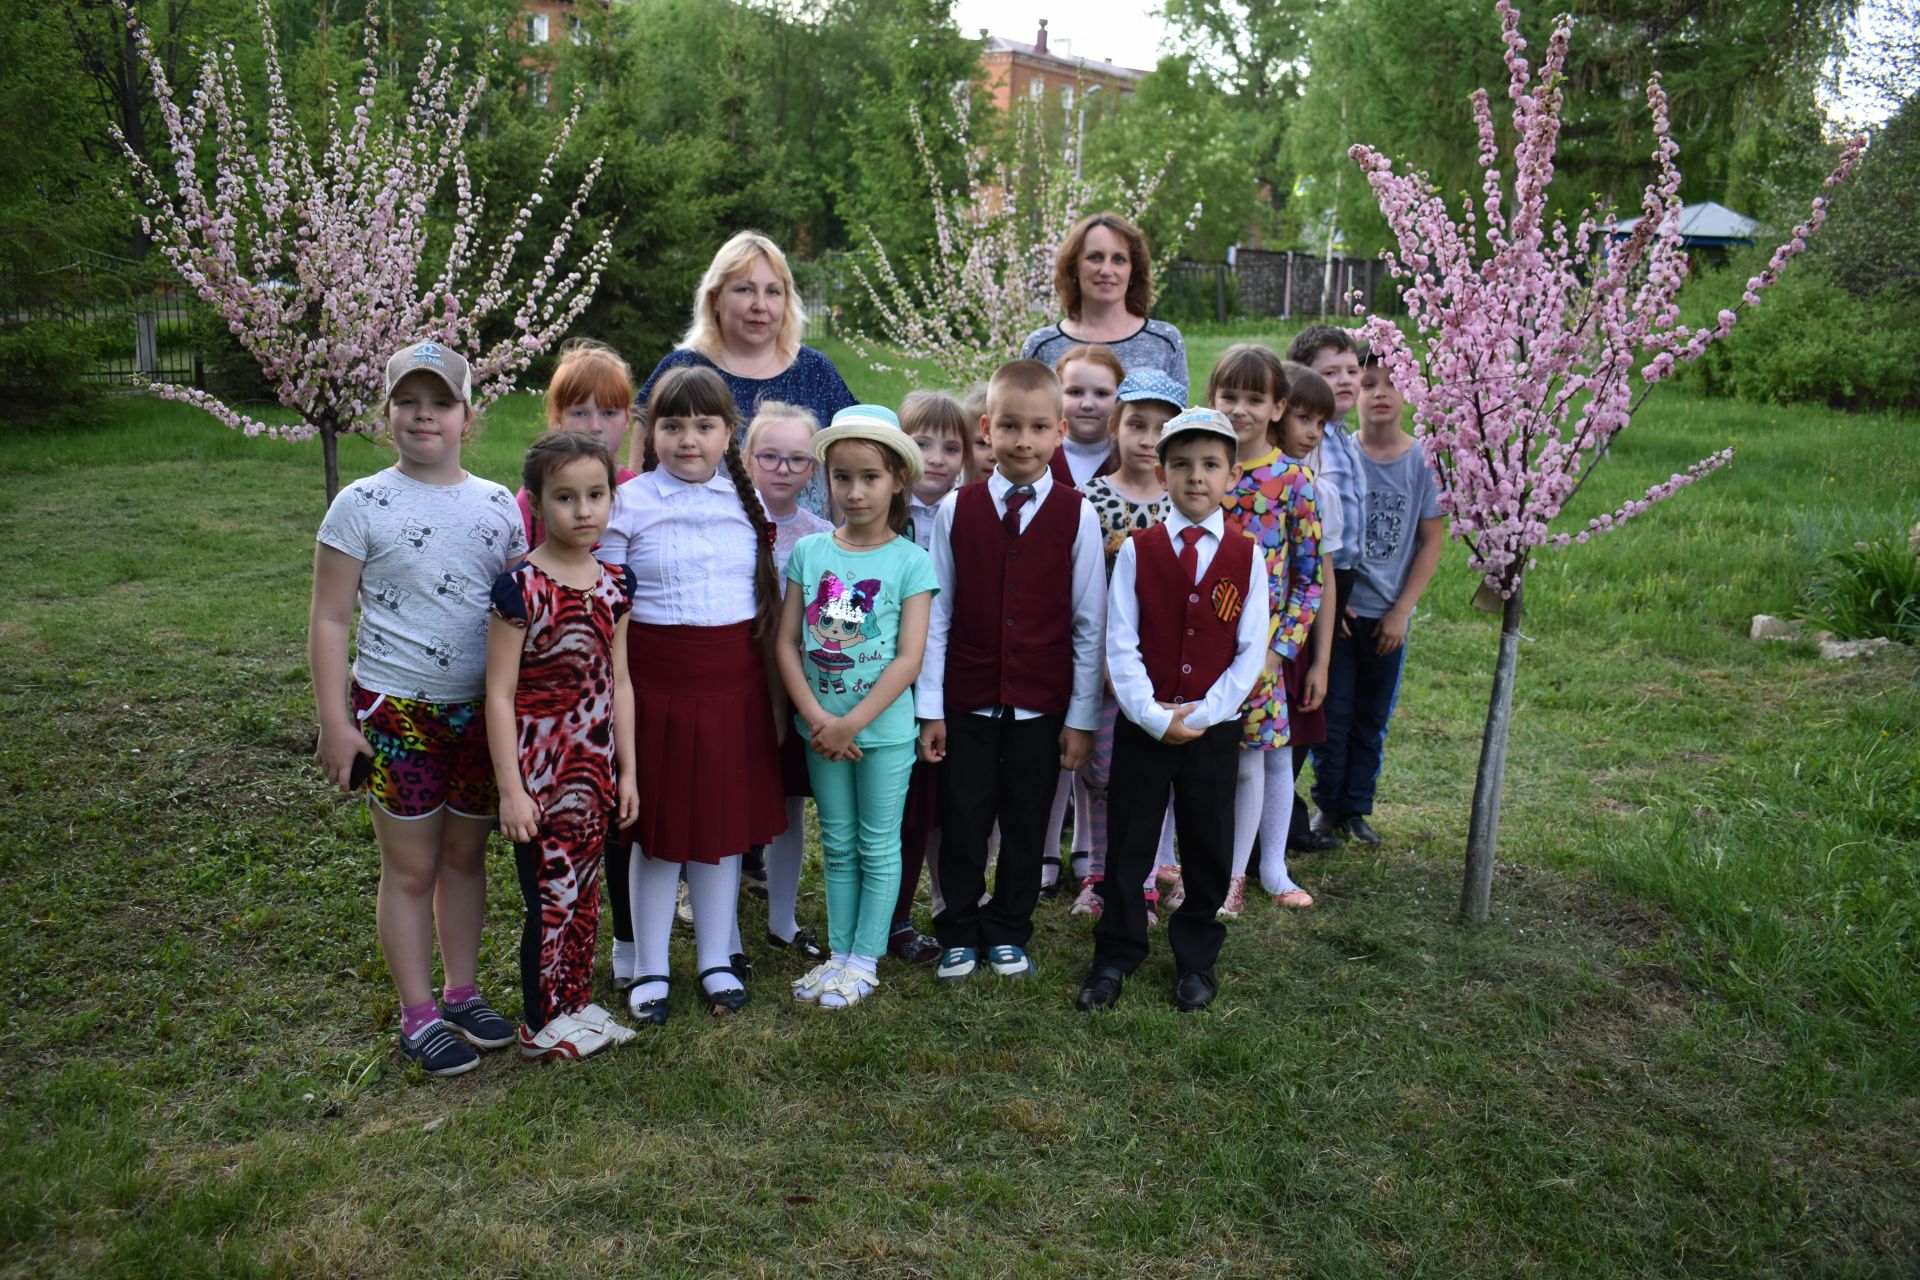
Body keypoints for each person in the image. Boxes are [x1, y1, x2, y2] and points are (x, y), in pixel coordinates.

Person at [309, 342, 528, 1077]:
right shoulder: (360, 504)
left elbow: (517, 612)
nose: (424, 415)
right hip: (396, 714)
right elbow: (331, 619)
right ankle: (417, 1012)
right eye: (409, 402)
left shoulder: (499, 506)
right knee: (409, 869)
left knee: (466, 856)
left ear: (468, 416)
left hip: (477, 715)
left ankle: (461, 992)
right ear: (389, 413)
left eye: (441, 403)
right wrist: (336, 722)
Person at [599, 365, 787, 1023]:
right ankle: (650, 964)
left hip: (731, 682)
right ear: (651, 434)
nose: (687, 440)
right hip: (656, 683)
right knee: (658, 832)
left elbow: (765, 594)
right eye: (672, 426)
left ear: (727, 433)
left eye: (704, 426)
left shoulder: (746, 502)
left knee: (721, 827)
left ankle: (713, 957)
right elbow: (608, 602)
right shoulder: (629, 503)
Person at [916, 359, 1105, 983]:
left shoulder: (1077, 513)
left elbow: (1087, 624)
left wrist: (1079, 719)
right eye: (1010, 428)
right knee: (965, 818)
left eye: (1038, 429)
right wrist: (933, 707)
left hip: (1042, 706)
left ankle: (1009, 926)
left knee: (1027, 821)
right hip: (968, 700)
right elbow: (936, 617)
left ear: (1058, 432)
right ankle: (960, 927)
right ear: (987, 428)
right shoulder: (956, 511)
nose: (1024, 442)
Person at [1076, 408, 1269, 1013]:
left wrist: (1205, 715)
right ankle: (1116, 952)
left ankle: (1196, 958)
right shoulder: (1139, 551)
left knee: (1208, 840)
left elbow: (1249, 651)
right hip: (1145, 725)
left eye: (1210, 465)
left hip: (1211, 730)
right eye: (1181, 465)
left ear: (1231, 474)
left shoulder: (1247, 556)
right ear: (1161, 473)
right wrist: (1155, 716)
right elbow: (1121, 642)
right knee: (1129, 841)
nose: (1195, 476)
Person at [775, 406, 938, 1009]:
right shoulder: (811, 553)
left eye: (870, 477)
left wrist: (851, 722)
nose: (855, 490)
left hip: (881, 735)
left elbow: (907, 659)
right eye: (842, 477)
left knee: (877, 843)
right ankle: (839, 955)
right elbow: (786, 642)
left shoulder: (909, 562)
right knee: (837, 844)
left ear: (897, 479)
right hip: (820, 731)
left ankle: (865, 958)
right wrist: (818, 720)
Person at [485, 430, 641, 1060]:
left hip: (596, 771)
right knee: (551, 899)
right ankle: (541, 1021)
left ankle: (577, 1002)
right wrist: (511, 791)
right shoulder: (519, 588)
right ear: (537, 503)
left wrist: (627, 772)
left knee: (586, 896)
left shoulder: (615, 585)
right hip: (540, 776)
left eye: (596, 495)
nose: (584, 511)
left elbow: (621, 682)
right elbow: (497, 694)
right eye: (566, 498)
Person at [512, 338, 648, 989]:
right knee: (554, 864)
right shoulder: (534, 502)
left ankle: (624, 943)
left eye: (609, 412)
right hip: (548, 704)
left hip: (621, 680)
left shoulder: (639, 493)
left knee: (620, 824)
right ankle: (553, 994)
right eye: (579, 412)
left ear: (630, 420)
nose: (595, 426)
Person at [1310, 345, 1443, 846]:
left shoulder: (1424, 461)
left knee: (1372, 717)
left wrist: (1401, 612)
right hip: (1339, 615)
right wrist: (1332, 598)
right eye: (1368, 383)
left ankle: (1356, 810)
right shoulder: (1344, 456)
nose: (1380, 392)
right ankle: (1327, 806)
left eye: (1392, 381)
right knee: (1334, 714)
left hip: (1388, 618)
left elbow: (1432, 539)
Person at [1211, 344, 1321, 915]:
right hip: (1194, 646)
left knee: (1259, 755)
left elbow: (1309, 579)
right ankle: (1177, 865)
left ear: (1279, 406)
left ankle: (1257, 869)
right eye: (1229, 396)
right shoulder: (1202, 468)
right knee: (1192, 752)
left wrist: (1280, 652)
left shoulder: (1296, 483)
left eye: (1255, 398)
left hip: (1260, 653)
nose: (1240, 409)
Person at [636, 231, 857, 516]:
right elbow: (641, 477)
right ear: (715, 298)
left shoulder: (815, 371)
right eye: (745, 289)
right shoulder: (680, 370)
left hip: (804, 554)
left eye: (773, 292)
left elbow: (860, 460)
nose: (760, 305)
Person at [1071, 368, 1183, 922]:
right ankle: (1096, 874)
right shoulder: (1090, 502)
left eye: (1162, 429)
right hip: (1103, 665)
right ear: (1115, 426)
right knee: (1101, 771)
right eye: (1137, 424)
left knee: (1151, 775)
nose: (1147, 439)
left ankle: (1141, 877)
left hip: (1162, 666)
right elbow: (1082, 589)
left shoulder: (1182, 505)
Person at [744, 403, 834, 965]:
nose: (782, 468)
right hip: (737, 678)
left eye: (797, 459)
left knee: (788, 802)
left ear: (813, 469)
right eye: (770, 456)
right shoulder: (728, 521)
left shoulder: (821, 535)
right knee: (731, 800)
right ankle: (718, 926)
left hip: (797, 683)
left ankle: (782, 918)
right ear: (749, 460)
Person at [891, 390, 977, 964]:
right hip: (888, 681)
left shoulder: (970, 512)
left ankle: (952, 904)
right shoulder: (883, 512)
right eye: (923, 444)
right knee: (900, 810)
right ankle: (893, 916)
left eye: (952, 446)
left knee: (949, 802)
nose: (938, 458)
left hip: (948, 681)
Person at [1276, 364, 1342, 856]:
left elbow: (1320, 579)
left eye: (1322, 424)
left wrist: (1320, 661)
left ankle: (1271, 846)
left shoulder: (1317, 491)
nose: (1313, 433)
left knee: (1287, 748)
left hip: (1294, 643)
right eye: (1304, 418)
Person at [1020, 213, 1188, 394]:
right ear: (1074, 267)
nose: (1106, 270)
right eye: (1095, 257)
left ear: (1133, 270)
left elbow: (1178, 419)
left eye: (1119, 259)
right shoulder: (1041, 347)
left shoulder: (1164, 342)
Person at [1048, 343, 1122, 488]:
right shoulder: (1036, 455)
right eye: (1075, 392)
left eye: (1101, 393)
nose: (1087, 404)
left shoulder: (1129, 461)